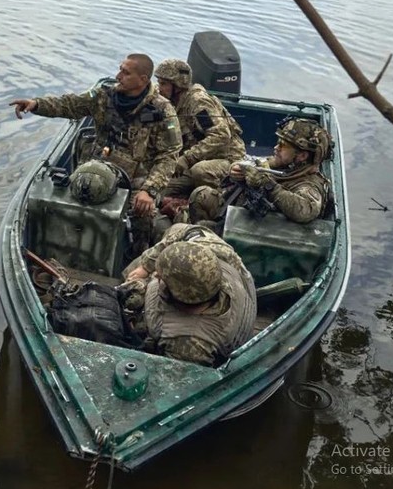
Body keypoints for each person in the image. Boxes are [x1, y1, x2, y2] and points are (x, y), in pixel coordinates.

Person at [9, 53, 182, 219]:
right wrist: (37, 104)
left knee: (141, 216)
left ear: (143, 79)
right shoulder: (102, 95)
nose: (118, 75)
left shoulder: (163, 110)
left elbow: (169, 155)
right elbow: (70, 104)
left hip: (136, 180)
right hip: (96, 165)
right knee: (63, 202)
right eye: (120, 69)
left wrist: (149, 190)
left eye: (126, 73)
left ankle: (135, 247)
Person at [120, 223, 256, 366]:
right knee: (176, 228)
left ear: (174, 297)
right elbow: (190, 231)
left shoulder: (190, 344)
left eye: (161, 278)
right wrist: (146, 265)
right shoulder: (208, 259)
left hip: (178, 344)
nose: (157, 276)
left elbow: (175, 380)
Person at [189, 116, 332, 225]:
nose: (276, 148)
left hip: (257, 227)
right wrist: (238, 168)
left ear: (302, 156)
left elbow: (304, 211)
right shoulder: (286, 164)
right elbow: (257, 161)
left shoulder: (309, 185)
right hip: (241, 211)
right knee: (200, 195)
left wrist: (268, 185)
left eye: (283, 145)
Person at [153, 59, 246, 197]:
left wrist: (187, 159)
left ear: (178, 85)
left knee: (201, 171)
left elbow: (220, 136)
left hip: (227, 158)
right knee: (159, 187)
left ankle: (217, 202)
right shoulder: (171, 101)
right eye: (159, 82)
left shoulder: (198, 102)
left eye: (164, 84)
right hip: (197, 159)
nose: (159, 88)